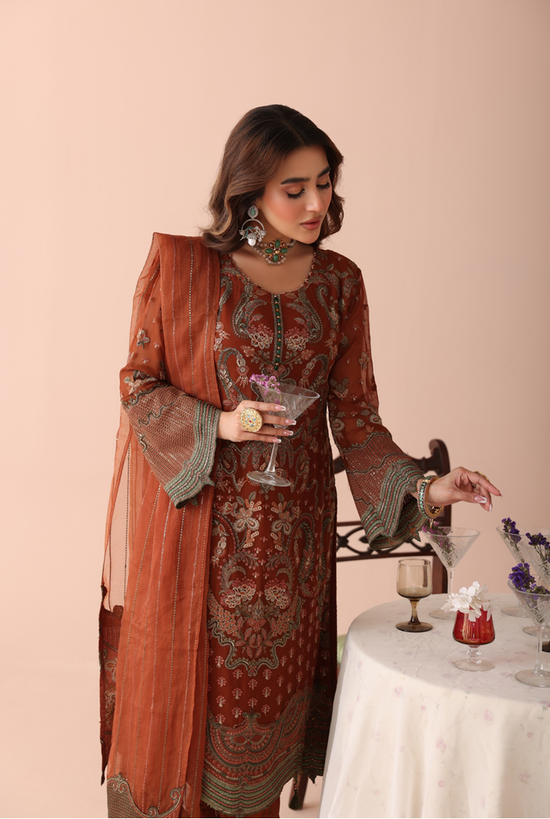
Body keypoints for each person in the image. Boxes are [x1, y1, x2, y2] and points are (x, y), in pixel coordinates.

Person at [99, 105, 501, 819]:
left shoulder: (340, 282)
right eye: (294, 188)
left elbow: (357, 422)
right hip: (203, 544)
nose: (315, 203)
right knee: (191, 728)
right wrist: (223, 424)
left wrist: (431, 488)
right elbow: (138, 385)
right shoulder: (189, 271)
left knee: (263, 739)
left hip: (294, 553)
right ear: (249, 190)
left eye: (324, 182)